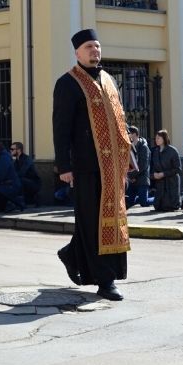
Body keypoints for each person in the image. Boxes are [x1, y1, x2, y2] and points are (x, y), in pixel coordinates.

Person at [53, 28, 132, 302]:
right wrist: (64, 165)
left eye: (97, 46)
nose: (95, 51)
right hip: (86, 165)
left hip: (113, 166)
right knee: (93, 222)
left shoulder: (109, 79)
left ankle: (73, 254)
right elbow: (60, 127)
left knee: (107, 220)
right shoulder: (67, 82)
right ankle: (104, 280)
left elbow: (120, 119)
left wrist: (127, 158)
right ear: (77, 52)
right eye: (89, 47)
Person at [150, 130, 181, 212]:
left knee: (170, 206)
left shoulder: (172, 151)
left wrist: (164, 174)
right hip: (160, 183)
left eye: (158, 138)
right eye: (155, 138)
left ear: (164, 138)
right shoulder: (155, 151)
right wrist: (154, 175)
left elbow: (177, 169)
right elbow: (152, 166)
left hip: (171, 182)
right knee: (158, 206)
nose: (156, 140)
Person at [125, 125, 150, 207]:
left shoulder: (143, 147)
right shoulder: (130, 146)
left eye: (129, 134)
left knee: (144, 202)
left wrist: (132, 176)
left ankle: (158, 199)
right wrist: (130, 177)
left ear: (134, 134)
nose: (127, 135)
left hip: (142, 179)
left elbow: (143, 166)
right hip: (132, 180)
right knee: (129, 202)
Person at [10, 141, 41, 207]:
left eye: (12, 149)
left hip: (34, 183)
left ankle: (22, 202)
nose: (11, 151)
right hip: (24, 181)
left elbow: (22, 172)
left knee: (19, 180)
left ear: (19, 150)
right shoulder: (16, 161)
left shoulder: (27, 159)